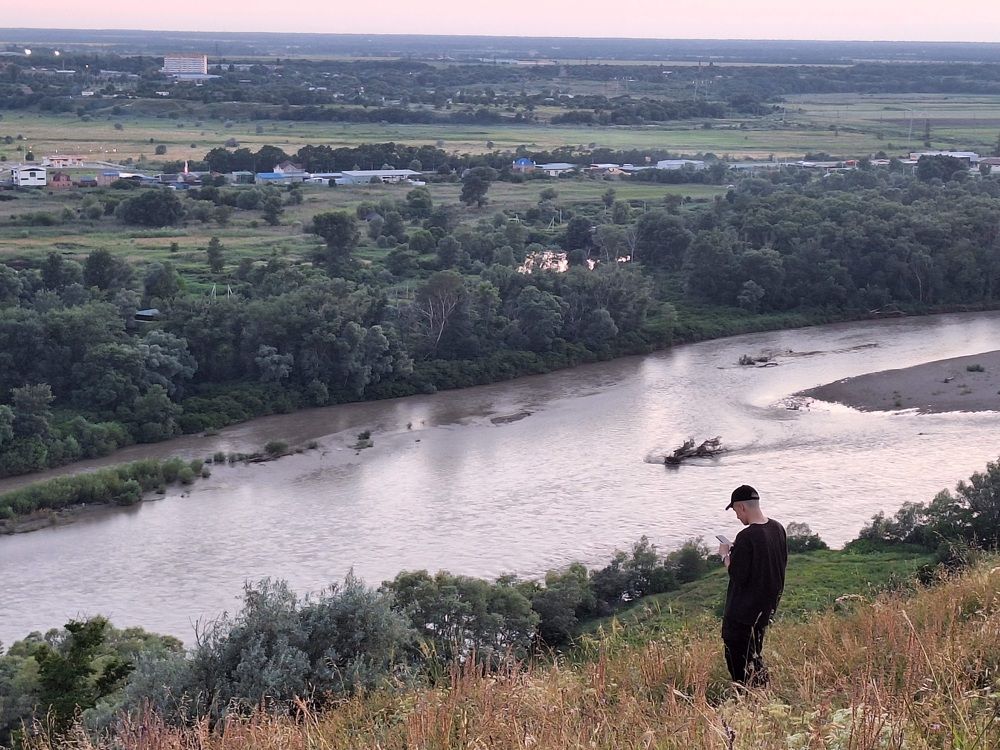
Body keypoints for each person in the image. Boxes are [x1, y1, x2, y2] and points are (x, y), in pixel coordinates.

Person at [717, 484, 787, 687]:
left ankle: (751, 701)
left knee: (739, 664)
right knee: (754, 657)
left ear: (742, 507)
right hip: (764, 612)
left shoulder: (746, 536)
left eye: (736, 511)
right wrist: (737, 552)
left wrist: (725, 556)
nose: (737, 517)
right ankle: (763, 697)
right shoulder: (777, 528)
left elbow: (737, 575)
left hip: (741, 615)